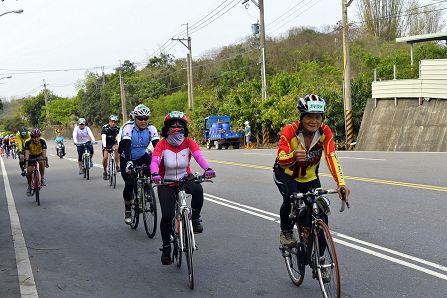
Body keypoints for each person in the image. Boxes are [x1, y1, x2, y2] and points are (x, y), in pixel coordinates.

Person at [273, 94, 350, 248]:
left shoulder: (325, 132)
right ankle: (286, 231)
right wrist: (293, 156)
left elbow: (331, 156)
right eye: (309, 117)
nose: (314, 121)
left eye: (318, 117)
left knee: (320, 209)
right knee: (291, 198)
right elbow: (281, 158)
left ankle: (321, 263)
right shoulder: (290, 130)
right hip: (286, 174)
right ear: (302, 117)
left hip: (309, 177)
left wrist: (341, 183)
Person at [150, 111, 216, 265]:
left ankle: (195, 218)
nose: (176, 129)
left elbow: (199, 157)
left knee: (198, 189)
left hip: (185, 178)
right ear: (166, 129)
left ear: (185, 129)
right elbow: (155, 161)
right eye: (173, 126)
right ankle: (166, 247)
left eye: (180, 126)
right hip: (165, 182)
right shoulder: (162, 144)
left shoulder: (188, 142)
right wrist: (154, 173)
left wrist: (208, 169)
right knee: (167, 216)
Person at [119, 104, 159, 224]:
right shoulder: (128, 127)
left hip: (142, 155)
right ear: (134, 118)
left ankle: (147, 190)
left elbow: (157, 145)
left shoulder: (151, 128)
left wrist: (162, 160)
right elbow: (126, 145)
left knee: (153, 170)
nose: (143, 121)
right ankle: (127, 210)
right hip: (127, 157)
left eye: (146, 118)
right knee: (130, 183)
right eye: (140, 118)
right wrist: (129, 161)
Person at [24, 128, 48, 196]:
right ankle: (29, 186)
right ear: (31, 137)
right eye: (34, 137)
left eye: (37, 137)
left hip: (39, 154)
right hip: (31, 156)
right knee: (29, 171)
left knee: (41, 161)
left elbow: (44, 153)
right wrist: (26, 163)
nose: (36, 139)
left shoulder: (43, 141)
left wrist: (45, 161)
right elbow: (27, 154)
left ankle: (42, 178)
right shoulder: (27, 142)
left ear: (40, 136)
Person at [101, 115, 120, 180]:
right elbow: (103, 138)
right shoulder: (105, 128)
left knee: (117, 149)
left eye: (115, 122)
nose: (113, 123)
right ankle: (105, 171)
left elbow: (119, 137)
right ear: (109, 121)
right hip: (106, 143)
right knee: (105, 157)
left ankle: (117, 165)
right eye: (112, 121)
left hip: (113, 142)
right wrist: (105, 146)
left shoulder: (117, 128)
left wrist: (120, 144)